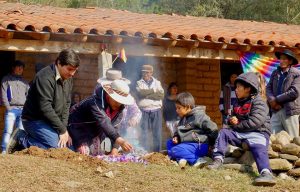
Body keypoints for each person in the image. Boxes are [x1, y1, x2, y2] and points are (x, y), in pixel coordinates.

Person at [207, 72, 276, 186]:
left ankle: (266, 173)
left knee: (259, 149)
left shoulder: (259, 102)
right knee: (223, 132)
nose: (236, 90)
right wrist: (231, 120)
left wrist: (236, 125)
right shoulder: (238, 102)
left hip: (257, 133)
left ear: (248, 88)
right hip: (241, 133)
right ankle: (217, 160)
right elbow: (233, 117)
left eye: (238, 87)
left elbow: (255, 122)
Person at [6, 48, 80, 153]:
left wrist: (64, 130)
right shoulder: (44, 77)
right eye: (69, 69)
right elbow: (45, 108)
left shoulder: (68, 79)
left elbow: (67, 104)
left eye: (75, 70)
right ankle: (21, 138)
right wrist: (62, 130)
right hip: (34, 120)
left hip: (51, 122)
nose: (72, 73)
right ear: (59, 63)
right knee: (57, 148)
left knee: (69, 148)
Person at [68, 79, 133, 155]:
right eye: (116, 100)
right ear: (109, 95)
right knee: (83, 153)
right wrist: (121, 141)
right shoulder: (94, 103)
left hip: (93, 133)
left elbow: (115, 128)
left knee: (100, 153)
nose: (118, 104)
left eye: (121, 102)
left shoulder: (119, 108)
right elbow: (104, 121)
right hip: (76, 129)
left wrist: (115, 149)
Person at [167, 92, 218, 168]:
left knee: (175, 150)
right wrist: (176, 136)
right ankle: (182, 159)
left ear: (187, 107)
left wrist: (211, 145)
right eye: (176, 108)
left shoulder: (200, 116)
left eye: (179, 108)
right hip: (187, 145)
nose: (176, 110)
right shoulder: (183, 118)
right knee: (169, 143)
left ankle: (197, 160)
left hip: (199, 146)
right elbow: (179, 131)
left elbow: (214, 129)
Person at [266, 49, 300, 138]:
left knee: (292, 139)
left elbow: (294, 92)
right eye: (280, 59)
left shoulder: (296, 73)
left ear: (290, 61)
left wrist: (276, 99)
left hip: (289, 111)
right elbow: (268, 88)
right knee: (273, 137)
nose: (281, 61)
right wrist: (272, 100)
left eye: (285, 59)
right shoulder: (275, 73)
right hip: (276, 110)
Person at [1, 60, 29, 154]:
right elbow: (3, 94)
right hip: (12, 109)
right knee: (8, 131)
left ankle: (17, 151)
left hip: (22, 110)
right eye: (18, 67)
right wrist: (8, 108)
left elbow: (29, 95)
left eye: (22, 68)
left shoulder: (24, 82)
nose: (20, 69)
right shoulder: (6, 79)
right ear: (13, 68)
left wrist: (26, 108)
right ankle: (4, 150)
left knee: (20, 131)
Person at [136, 64, 164, 152]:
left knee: (157, 133)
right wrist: (153, 91)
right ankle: (144, 152)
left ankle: (157, 153)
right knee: (144, 132)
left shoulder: (157, 82)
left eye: (147, 72)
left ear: (151, 73)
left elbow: (161, 95)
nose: (145, 74)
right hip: (144, 111)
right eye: (143, 72)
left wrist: (146, 94)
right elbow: (141, 94)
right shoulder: (139, 82)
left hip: (156, 110)